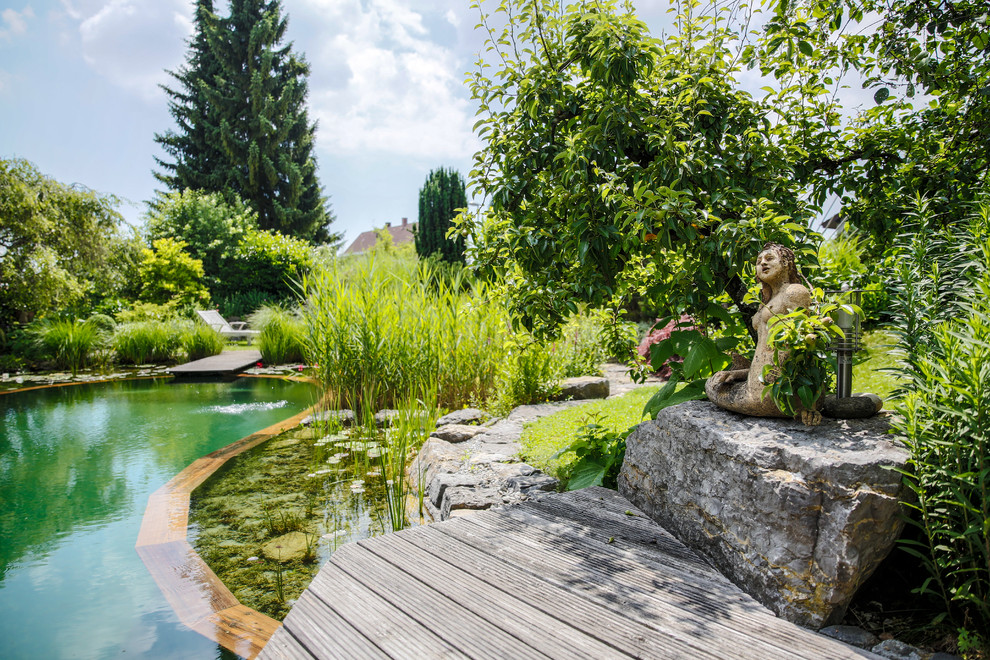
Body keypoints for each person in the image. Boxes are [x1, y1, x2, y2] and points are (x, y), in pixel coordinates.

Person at [705, 242, 821, 424]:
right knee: (718, 381)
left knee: (712, 387)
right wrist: (738, 374)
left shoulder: (793, 292)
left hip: (779, 391)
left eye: (769, 258)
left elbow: (804, 346)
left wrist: (809, 404)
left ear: (786, 264)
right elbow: (765, 355)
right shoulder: (766, 301)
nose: (762, 264)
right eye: (759, 261)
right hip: (759, 385)